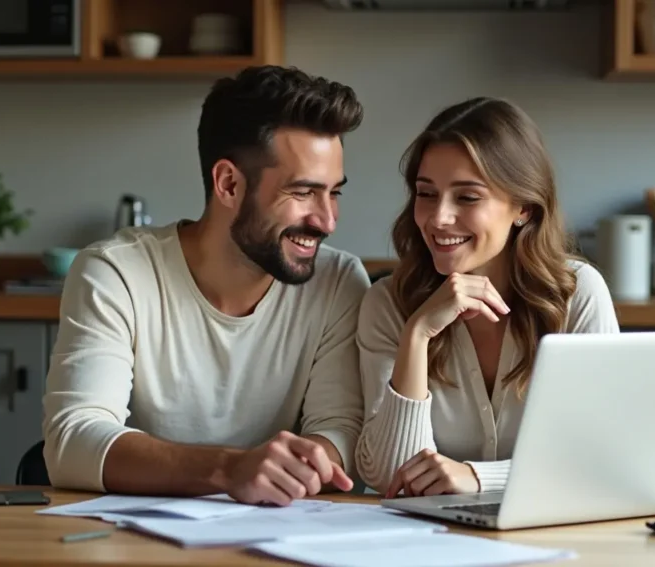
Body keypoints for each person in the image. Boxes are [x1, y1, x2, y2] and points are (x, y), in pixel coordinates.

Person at [42, 65, 369, 507]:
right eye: (303, 193)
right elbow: (74, 441)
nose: (327, 220)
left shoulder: (338, 284)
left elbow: (342, 437)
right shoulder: (115, 272)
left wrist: (312, 460)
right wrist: (230, 469)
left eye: (335, 193)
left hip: (282, 539)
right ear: (229, 184)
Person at [354, 97, 620, 498]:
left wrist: (479, 478)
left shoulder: (578, 294)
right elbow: (390, 477)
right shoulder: (387, 304)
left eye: (467, 197)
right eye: (427, 194)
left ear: (524, 209)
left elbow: (603, 461)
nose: (439, 218)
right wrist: (418, 333)